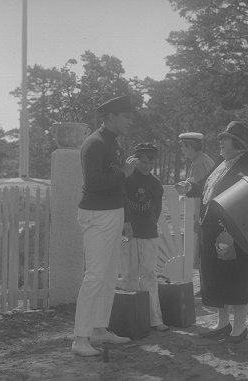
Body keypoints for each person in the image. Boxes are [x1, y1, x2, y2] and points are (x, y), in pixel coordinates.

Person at [176, 121, 248, 343]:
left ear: (238, 143)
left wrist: (234, 233)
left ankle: (240, 327)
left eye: (225, 139)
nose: (221, 142)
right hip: (212, 230)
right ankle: (223, 323)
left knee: (237, 276)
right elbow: (206, 186)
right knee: (215, 277)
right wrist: (189, 188)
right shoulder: (222, 163)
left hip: (236, 233)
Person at [72, 95, 139, 357]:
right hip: (96, 215)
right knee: (96, 276)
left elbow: (119, 186)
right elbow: (94, 183)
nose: (130, 121)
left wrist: (127, 219)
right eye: (126, 116)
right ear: (110, 117)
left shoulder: (114, 144)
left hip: (114, 213)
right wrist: (124, 173)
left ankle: (99, 329)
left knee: (110, 275)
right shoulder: (94, 144)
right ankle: (80, 338)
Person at [122, 143, 169, 332]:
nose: (146, 165)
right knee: (130, 274)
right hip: (129, 233)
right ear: (135, 160)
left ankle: (154, 319)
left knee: (149, 274)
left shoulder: (155, 184)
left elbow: (156, 210)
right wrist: (126, 223)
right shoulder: (127, 180)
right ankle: (129, 317)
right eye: (142, 161)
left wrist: (149, 225)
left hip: (149, 233)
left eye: (150, 162)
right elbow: (122, 202)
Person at [178, 132, 215, 274]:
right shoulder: (202, 159)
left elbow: (199, 193)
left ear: (190, 147)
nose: (182, 150)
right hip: (207, 211)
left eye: (184, 146)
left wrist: (197, 217)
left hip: (203, 212)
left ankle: (205, 286)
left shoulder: (199, 163)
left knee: (201, 249)